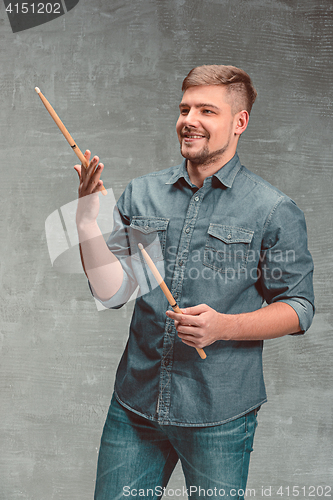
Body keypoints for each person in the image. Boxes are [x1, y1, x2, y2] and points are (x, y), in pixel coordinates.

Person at [74, 65, 315, 500]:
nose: (190, 120)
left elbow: (299, 308)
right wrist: (86, 221)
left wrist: (224, 327)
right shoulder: (141, 194)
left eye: (207, 110)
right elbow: (113, 292)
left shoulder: (272, 209)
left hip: (220, 413)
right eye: (185, 108)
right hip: (136, 405)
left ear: (239, 122)